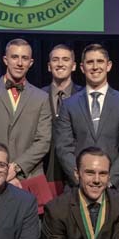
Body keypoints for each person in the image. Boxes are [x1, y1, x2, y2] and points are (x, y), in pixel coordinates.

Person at [54, 44, 119, 194]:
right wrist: (81, 179)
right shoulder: (68, 105)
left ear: (108, 65)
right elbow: (63, 148)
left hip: (115, 187)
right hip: (77, 188)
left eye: (100, 61)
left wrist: (108, 179)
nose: (95, 67)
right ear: (82, 67)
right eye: (89, 62)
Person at [0, 38, 52, 185]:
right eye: (14, 57)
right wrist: (0, 170)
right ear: (5, 60)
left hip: (29, 177)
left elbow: (43, 141)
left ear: (31, 63)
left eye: (24, 58)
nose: (19, 63)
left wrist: (16, 168)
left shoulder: (41, 98)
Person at [42, 44, 82, 184]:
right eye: (55, 60)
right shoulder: (38, 96)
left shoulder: (84, 97)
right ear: (49, 66)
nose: (60, 64)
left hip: (75, 171)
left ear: (74, 66)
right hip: (44, 171)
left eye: (65, 59)